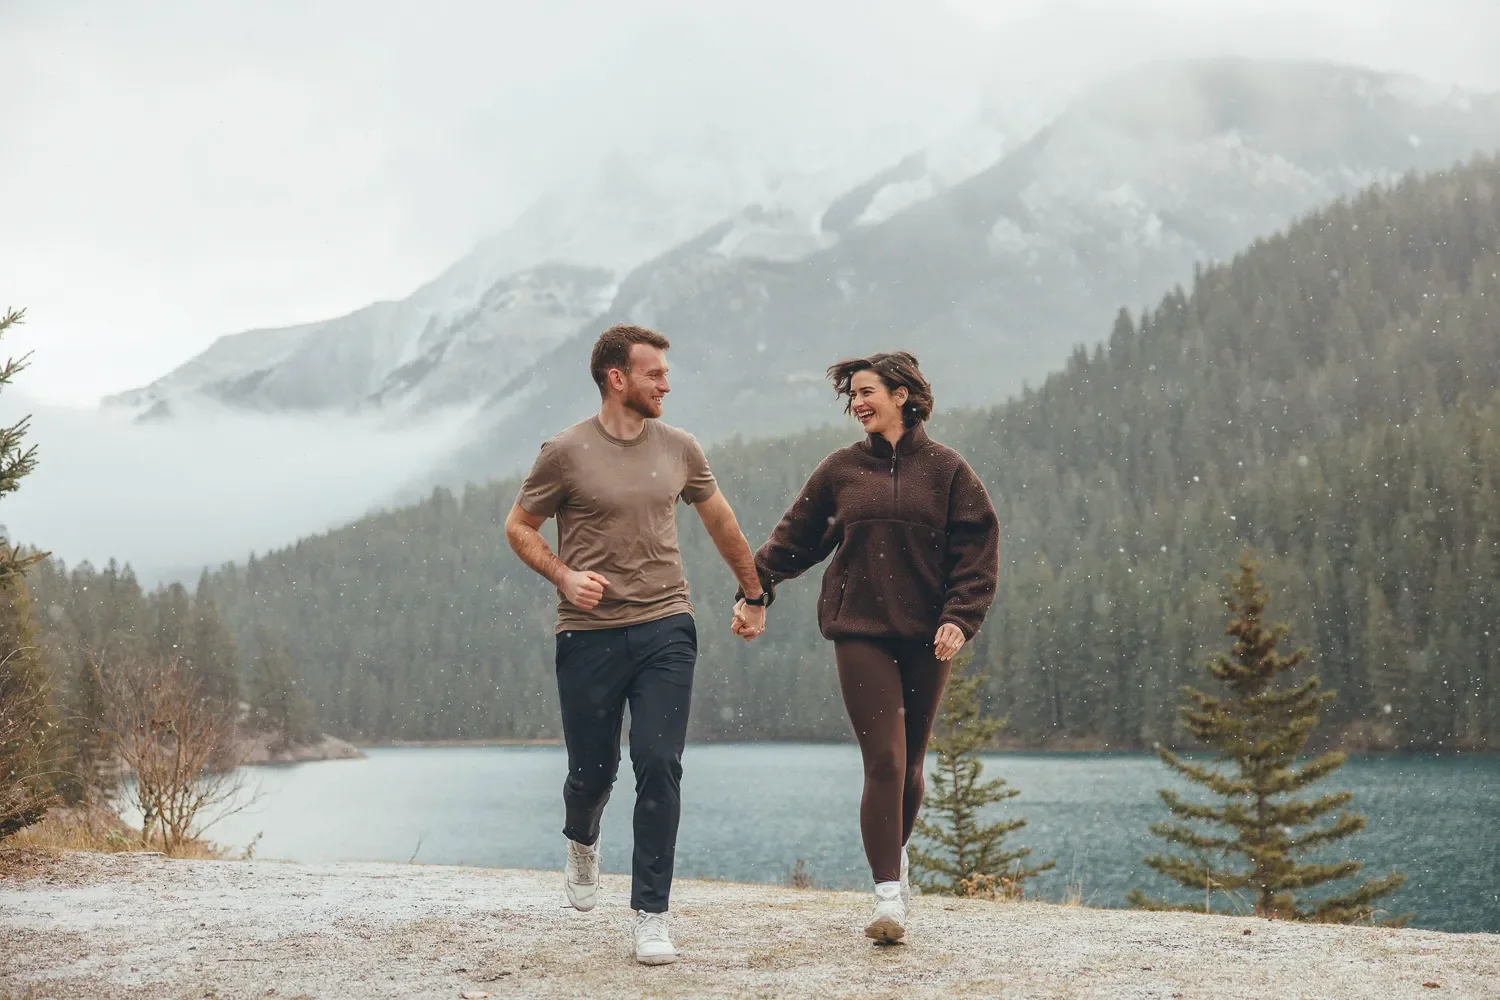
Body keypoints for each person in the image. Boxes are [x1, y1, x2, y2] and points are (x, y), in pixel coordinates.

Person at [505, 323, 767, 966]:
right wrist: (564, 575)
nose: (666, 384)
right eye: (655, 374)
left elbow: (722, 522)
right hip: (588, 636)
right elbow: (518, 526)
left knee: (659, 763)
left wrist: (754, 592)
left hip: (665, 627)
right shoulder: (564, 452)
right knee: (593, 773)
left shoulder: (680, 447)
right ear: (617, 378)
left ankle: (652, 914)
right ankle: (582, 838)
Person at [731, 351, 999, 945]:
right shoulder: (841, 471)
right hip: (860, 629)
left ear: (902, 394)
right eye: (852, 395)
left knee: (910, 768)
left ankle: (893, 868)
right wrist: (755, 593)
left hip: (928, 636)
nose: (857, 403)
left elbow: (976, 552)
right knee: (883, 759)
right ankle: (887, 897)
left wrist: (961, 618)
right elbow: (793, 540)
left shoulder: (949, 472)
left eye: (867, 391)